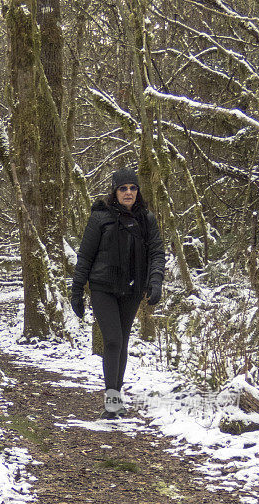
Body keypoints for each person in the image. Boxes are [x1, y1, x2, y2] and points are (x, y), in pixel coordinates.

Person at [71, 167, 166, 418]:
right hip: (103, 287)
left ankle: (115, 399)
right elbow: (85, 256)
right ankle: (111, 401)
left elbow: (157, 252)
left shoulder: (147, 218)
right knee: (112, 340)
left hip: (133, 289)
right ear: (115, 190)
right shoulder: (100, 217)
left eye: (133, 188)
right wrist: (77, 290)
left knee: (122, 342)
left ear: (138, 191)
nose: (128, 192)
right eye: (123, 188)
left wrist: (155, 282)